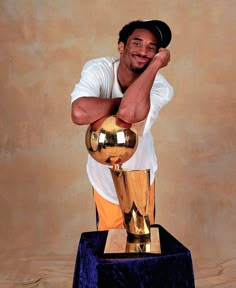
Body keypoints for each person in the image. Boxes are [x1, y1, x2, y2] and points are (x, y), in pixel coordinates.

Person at [71, 20, 174, 231]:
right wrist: (123, 102)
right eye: (137, 43)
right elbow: (79, 112)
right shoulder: (99, 69)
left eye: (151, 48)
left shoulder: (161, 86)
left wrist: (155, 65)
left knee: (141, 244)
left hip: (140, 174)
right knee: (109, 245)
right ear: (121, 46)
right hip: (103, 173)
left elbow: (129, 113)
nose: (143, 51)